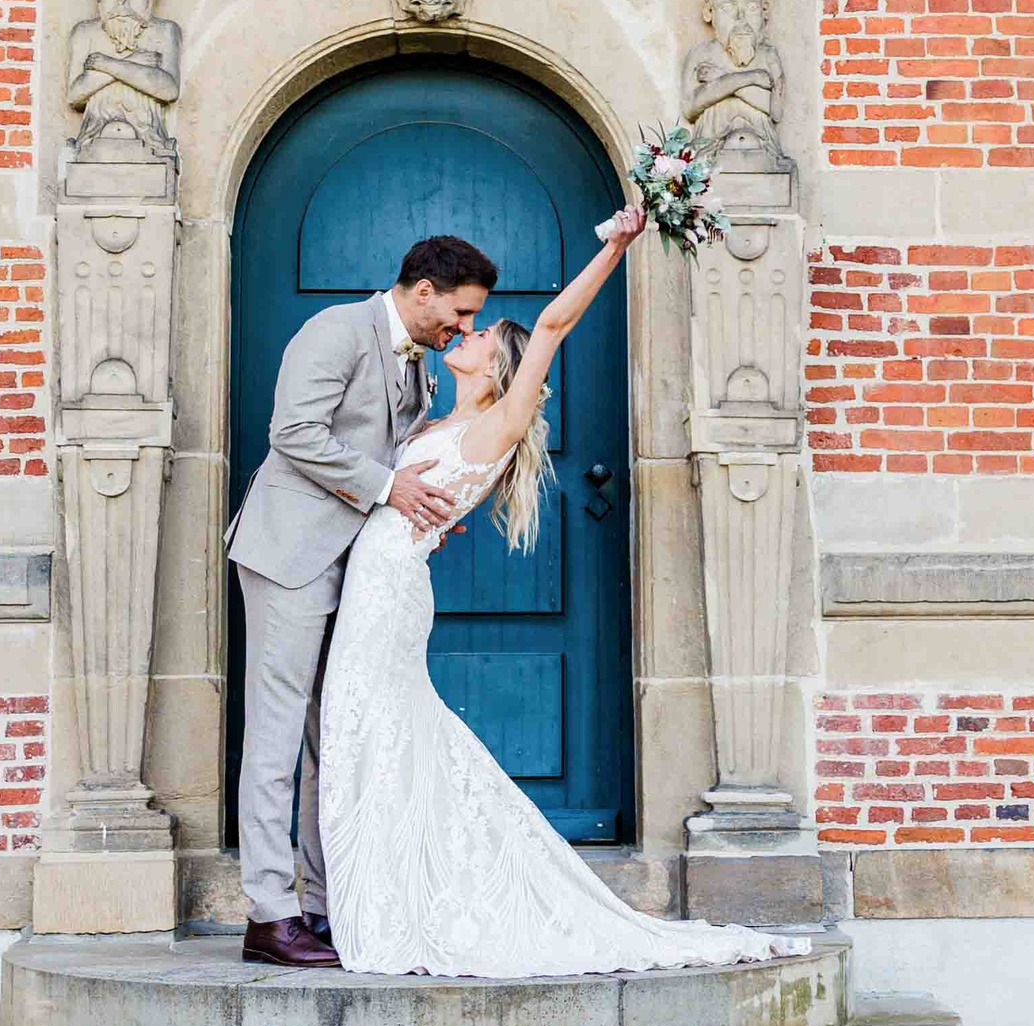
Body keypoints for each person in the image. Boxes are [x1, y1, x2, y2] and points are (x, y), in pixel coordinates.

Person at [315, 204, 813, 976]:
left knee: (373, 728)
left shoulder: (496, 425)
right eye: (468, 323)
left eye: (481, 334)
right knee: (373, 733)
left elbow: (550, 325)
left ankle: (395, 903)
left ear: (500, 370)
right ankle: (388, 888)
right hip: (373, 582)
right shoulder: (432, 420)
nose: (468, 333)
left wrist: (615, 244)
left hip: (388, 597)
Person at [224, 235, 497, 968]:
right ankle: (268, 914)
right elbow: (293, 433)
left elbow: (394, 456)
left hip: (356, 570)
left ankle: (321, 904)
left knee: (333, 738)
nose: (465, 328)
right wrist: (387, 488)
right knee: (277, 738)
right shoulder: (336, 331)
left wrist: (418, 509)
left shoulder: (422, 367)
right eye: (461, 312)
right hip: (290, 556)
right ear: (424, 290)